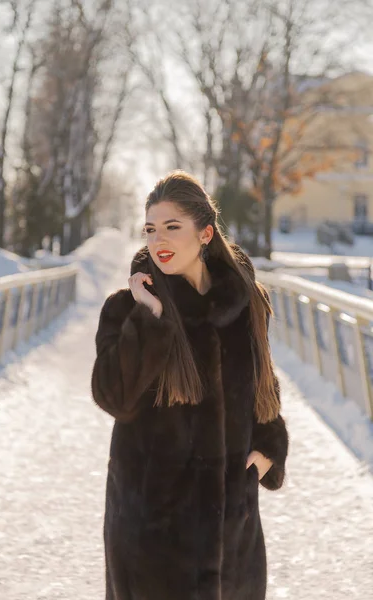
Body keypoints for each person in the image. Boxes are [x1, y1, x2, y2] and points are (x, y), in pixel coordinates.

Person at [91, 170, 289, 600]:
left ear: (205, 233)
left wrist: (269, 448)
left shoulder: (245, 302)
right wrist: (150, 320)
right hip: (151, 534)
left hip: (232, 529)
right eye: (150, 229)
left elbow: (263, 387)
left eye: (172, 227)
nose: (158, 239)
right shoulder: (129, 308)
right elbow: (113, 397)